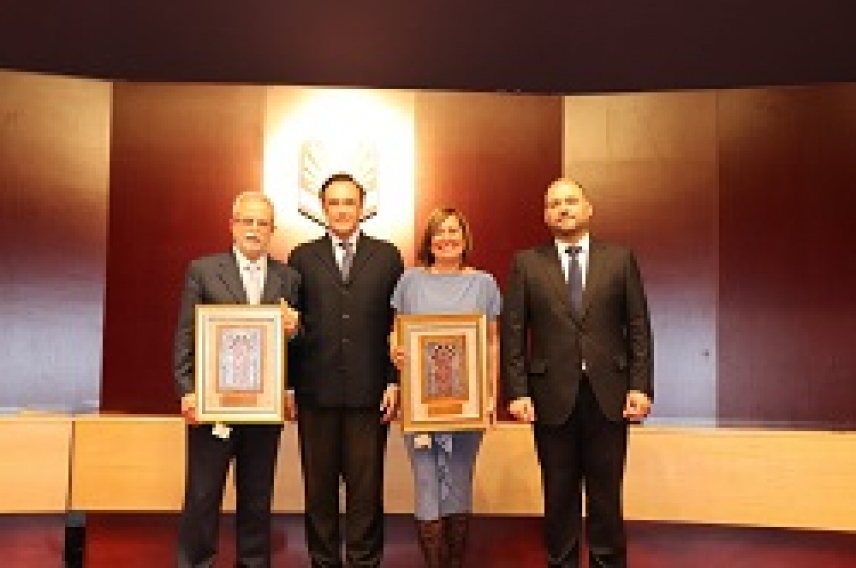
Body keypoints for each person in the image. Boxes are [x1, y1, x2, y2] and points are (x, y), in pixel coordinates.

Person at [501, 178, 653, 568]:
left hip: (609, 396)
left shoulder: (620, 259)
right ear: (545, 214)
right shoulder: (526, 264)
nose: (563, 208)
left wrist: (640, 385)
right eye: (554, 203)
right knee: (558, 495)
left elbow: (638, 327)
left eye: (571, 201)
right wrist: (516, 391)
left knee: (606, 496)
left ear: (589, 209)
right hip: (550, 397)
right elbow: (514, 332)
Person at [173, 191, 301, 568]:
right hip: (214, 409)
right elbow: (185, 334)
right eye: (247, 221)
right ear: (232, 225)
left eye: (262, 223)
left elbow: (297, 346)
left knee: (257, 499)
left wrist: (295, 330)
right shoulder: (203, 270)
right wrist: (188, 390)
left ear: (272, 230)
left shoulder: (288, 277)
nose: (254, 230)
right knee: (202, 496)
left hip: (264, 410)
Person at [287, 172, 404, 567]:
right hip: (315, 393)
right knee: (318, 493)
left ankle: (364, 562)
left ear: (362, 207)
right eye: (333, 203)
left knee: (366, 493)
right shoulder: (301, 257)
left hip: (369, 395)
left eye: (348, 202)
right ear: (323, 209)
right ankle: (322, 561)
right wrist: (287, 387)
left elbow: (398, 325)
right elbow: (292, 327)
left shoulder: (388, 256)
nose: (341, 210)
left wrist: (394, 380)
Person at [389, 208, 501, 568]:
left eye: (453, 231)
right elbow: (396, 332)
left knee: (458, 479)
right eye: (439, 232)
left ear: (465, 238)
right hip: (420, 406)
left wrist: (489, 396)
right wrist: (395, 349)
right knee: (425, 481)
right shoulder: (409, 282)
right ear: (429, 240)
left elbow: (492, 343)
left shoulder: (484, 283)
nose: (446, 238)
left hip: (467, 406)